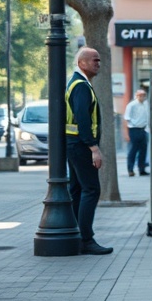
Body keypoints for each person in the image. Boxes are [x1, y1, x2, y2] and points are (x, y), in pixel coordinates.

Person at [66, 47, 113, 255]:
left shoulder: (78, 83)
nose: (98, 64)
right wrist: (93, 147)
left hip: (74, 144)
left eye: (99, 60)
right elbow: (83, 119)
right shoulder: (81, 86)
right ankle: (86, 239)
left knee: (77, 189)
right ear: (82, 63)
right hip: (81, 146)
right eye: (94, 60)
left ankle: (77, 235)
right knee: (91, 189)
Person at [123, 88, 149, 177]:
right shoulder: (131, 105)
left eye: (144, 95)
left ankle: (142, 169)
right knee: (133, 150)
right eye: (140, 95)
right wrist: (126, 134)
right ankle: (130, 169)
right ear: (137, 96)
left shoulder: (146, 104)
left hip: (143, 129)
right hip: (134, 129)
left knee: (143, 150)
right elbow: (126, 119)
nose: (142, 97)